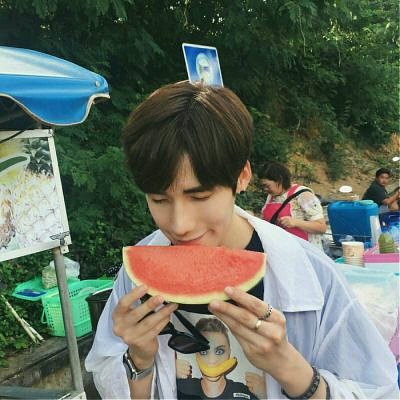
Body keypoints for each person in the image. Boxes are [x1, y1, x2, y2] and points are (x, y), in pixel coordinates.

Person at [85, 81, 399, 399]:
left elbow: (380, 390)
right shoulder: (137, 274)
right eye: (159, 199)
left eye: (200, 196)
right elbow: (108, 374)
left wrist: (290, 368)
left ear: (242, 177)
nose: (179, 225)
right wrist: (139, 361)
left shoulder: (314, 273)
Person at [177, 317, 263, 399]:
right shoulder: (182, 388)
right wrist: (170, 374)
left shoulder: (244, 392)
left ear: (229, 353)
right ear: (196, 354)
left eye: (219, 351)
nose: (212, 361)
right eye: (203, 352)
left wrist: (265, 395)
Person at [259, 162, 327, 250]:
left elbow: (321, 227)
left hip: (305, 251)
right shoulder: (271, 196)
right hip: (282, 249)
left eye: (267, 186)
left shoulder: (304, 195)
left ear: (279, 180)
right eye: (262, 186)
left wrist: (296, 222)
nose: (265, 189)